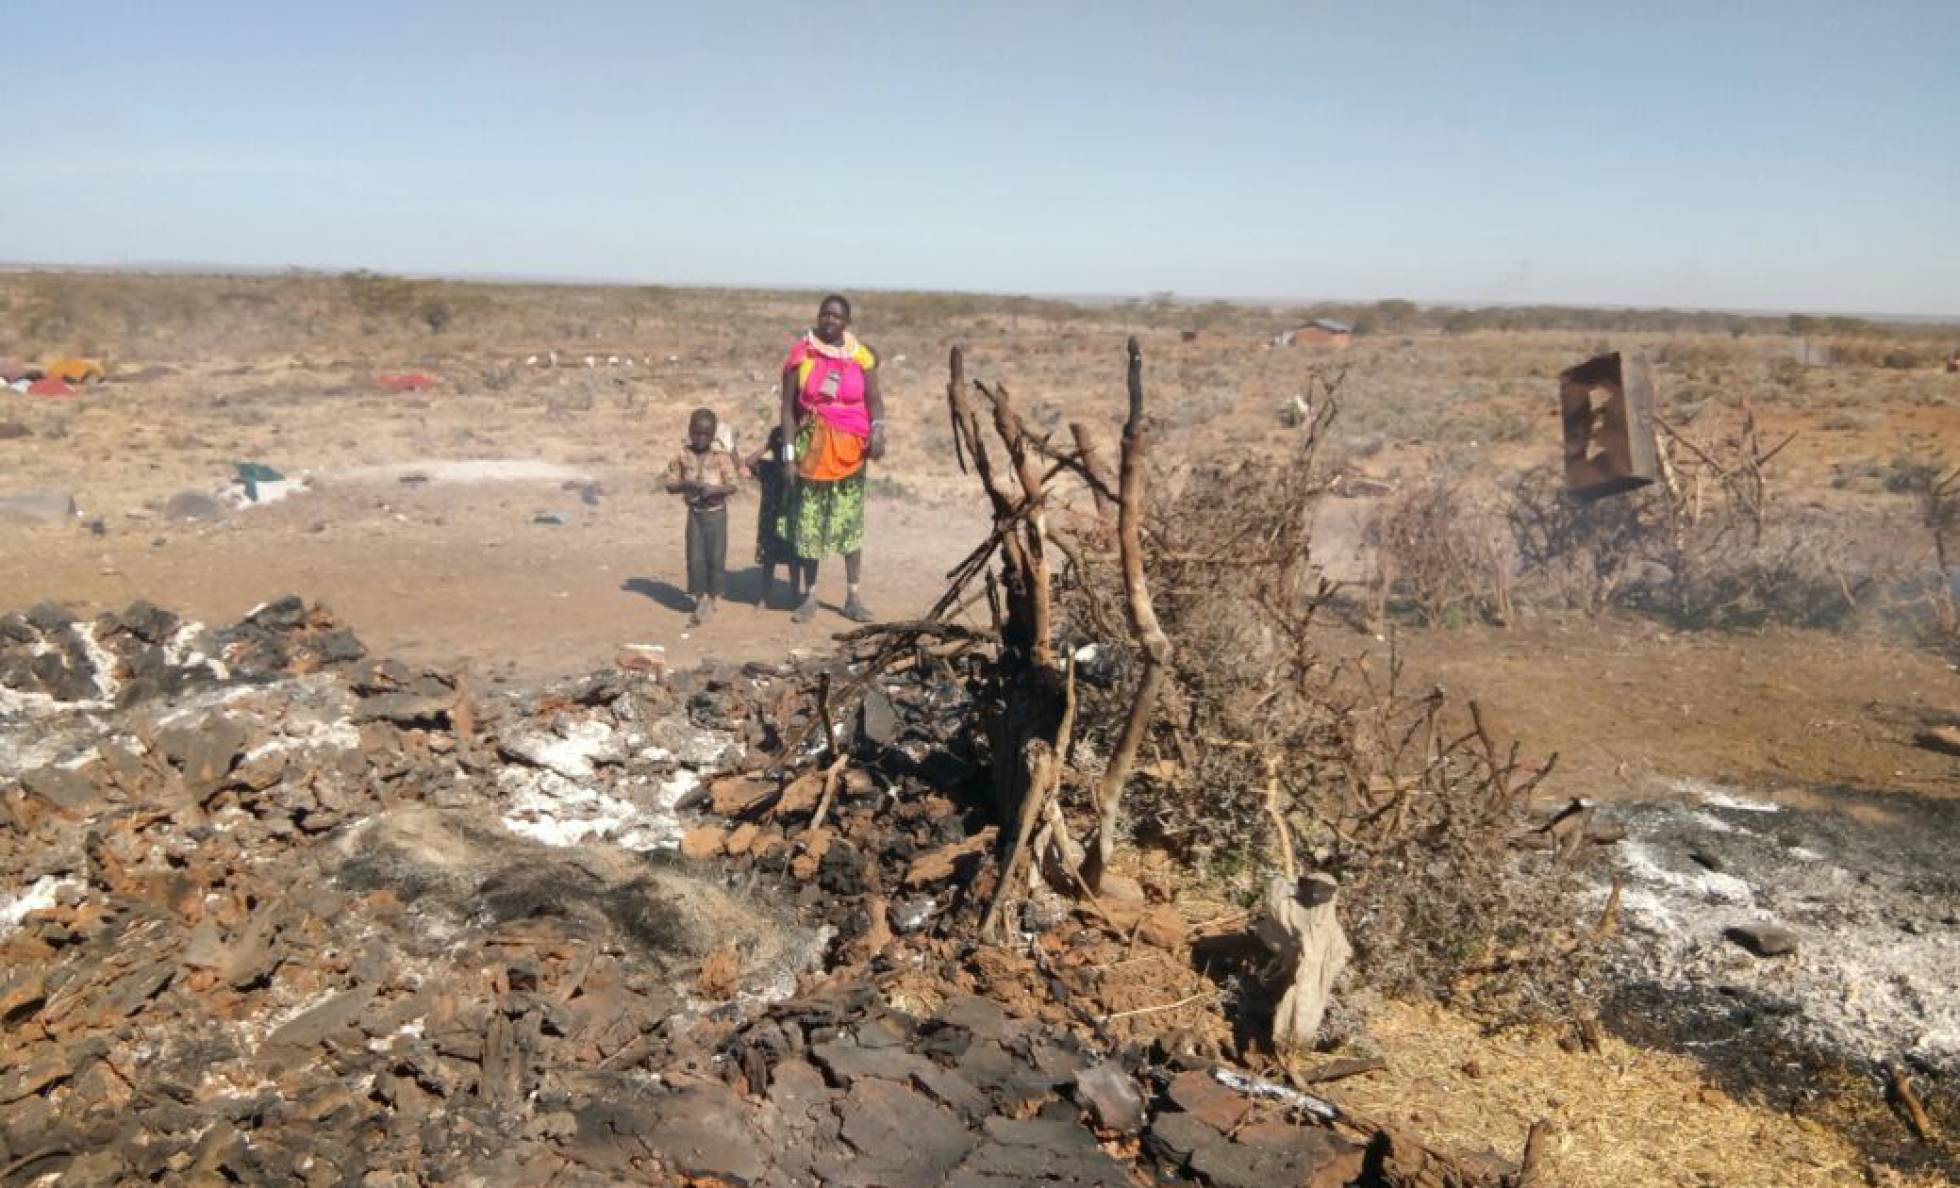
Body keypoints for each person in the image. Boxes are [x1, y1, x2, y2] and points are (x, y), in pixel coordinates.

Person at [779, 294, 886, 623]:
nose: (829, 320)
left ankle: (853, 597)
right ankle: (810, 596)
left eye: (837, 316)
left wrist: (878, 430)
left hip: (852, 452)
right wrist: (788, 456)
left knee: (849, 524)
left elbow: (874, 401)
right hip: (812, 452)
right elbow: (787, 410)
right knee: (810, 523)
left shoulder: (861, 356)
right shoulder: (802, 355)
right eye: (825, 314)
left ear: (847, 321)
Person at [664, 407, 740, 625]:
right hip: (695, 514)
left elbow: (733, 485)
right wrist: (686, 485)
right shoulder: (681, 456)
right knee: (695, 557)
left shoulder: (720, 457)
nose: (700, 438)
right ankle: (699, 597)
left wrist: (714, 490)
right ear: (690, 431)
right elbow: (670, 485)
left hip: (716, 514)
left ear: (713, 434)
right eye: (697, 433)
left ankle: (713, 597)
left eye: (706, 434)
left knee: (715, 557)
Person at [745, 425, 801, 607]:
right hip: (770, 520)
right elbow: (749, 462)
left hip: (789, 519)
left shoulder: (795, 470)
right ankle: (766, 597)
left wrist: (768, 446)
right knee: (770, 560)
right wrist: (767, 445)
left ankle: (794, 595)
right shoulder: (768, 468)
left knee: (794, 560)